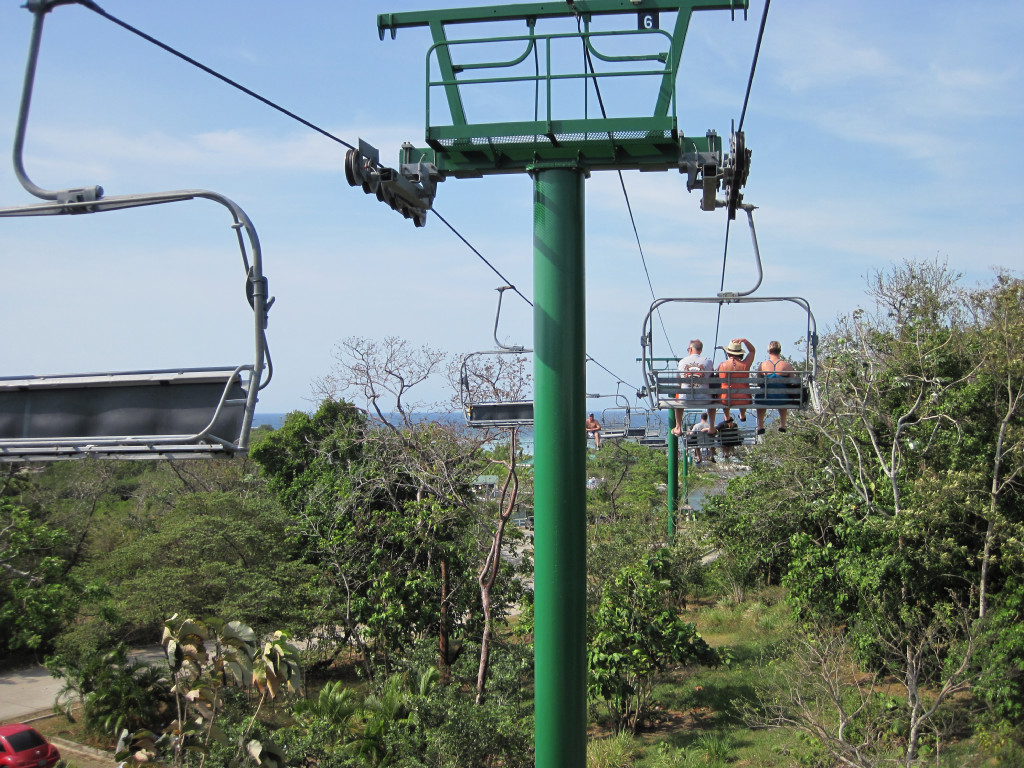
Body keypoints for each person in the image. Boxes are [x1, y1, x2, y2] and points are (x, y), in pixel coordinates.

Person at [671, 339, 714, 437]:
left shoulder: (682, 362)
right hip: (705, 400)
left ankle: (678, 427)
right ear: (701, 350)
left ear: (690, 349)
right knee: (714, 400)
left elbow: (678, 381)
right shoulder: (708, 361)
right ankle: (711, 427)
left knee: (679, 398)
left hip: (685, 400)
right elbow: (712, 377)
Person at [755, 340, 796, 435]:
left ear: (769, 351)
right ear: (780, 351)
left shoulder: (763, 365)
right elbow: (792, 382)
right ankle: (782, 424)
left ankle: (760, 425)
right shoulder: (787, 366)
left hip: (765, 399)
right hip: (782, 399)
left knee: (760, 397)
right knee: (783, 394)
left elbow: (758, 382)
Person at [717, 338, 755, 423]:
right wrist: (744, 340)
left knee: (724, 390)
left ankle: (727, 416)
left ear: (728, 352)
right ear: (740, 353)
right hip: (744, 399)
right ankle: (742, 414)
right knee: (743, 392)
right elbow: (752, 351)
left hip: (726, 399)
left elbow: (721, 381)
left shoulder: (722, 366)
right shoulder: (745, 365)